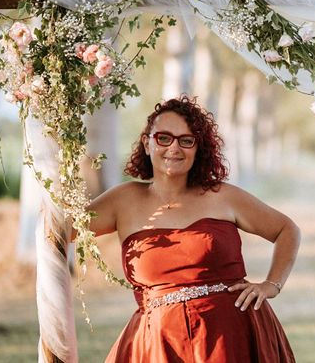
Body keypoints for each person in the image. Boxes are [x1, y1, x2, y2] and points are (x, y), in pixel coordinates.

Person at [87, 95, 300, 362]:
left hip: (233, 336)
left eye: (186, 140)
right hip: (160, 342)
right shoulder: (123, 200)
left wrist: (272, 284)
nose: (174, 148)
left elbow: (286, 230)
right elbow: (60, 232)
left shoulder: (222, 196)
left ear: (198, 148)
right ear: (147, 142)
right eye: (163, 137)